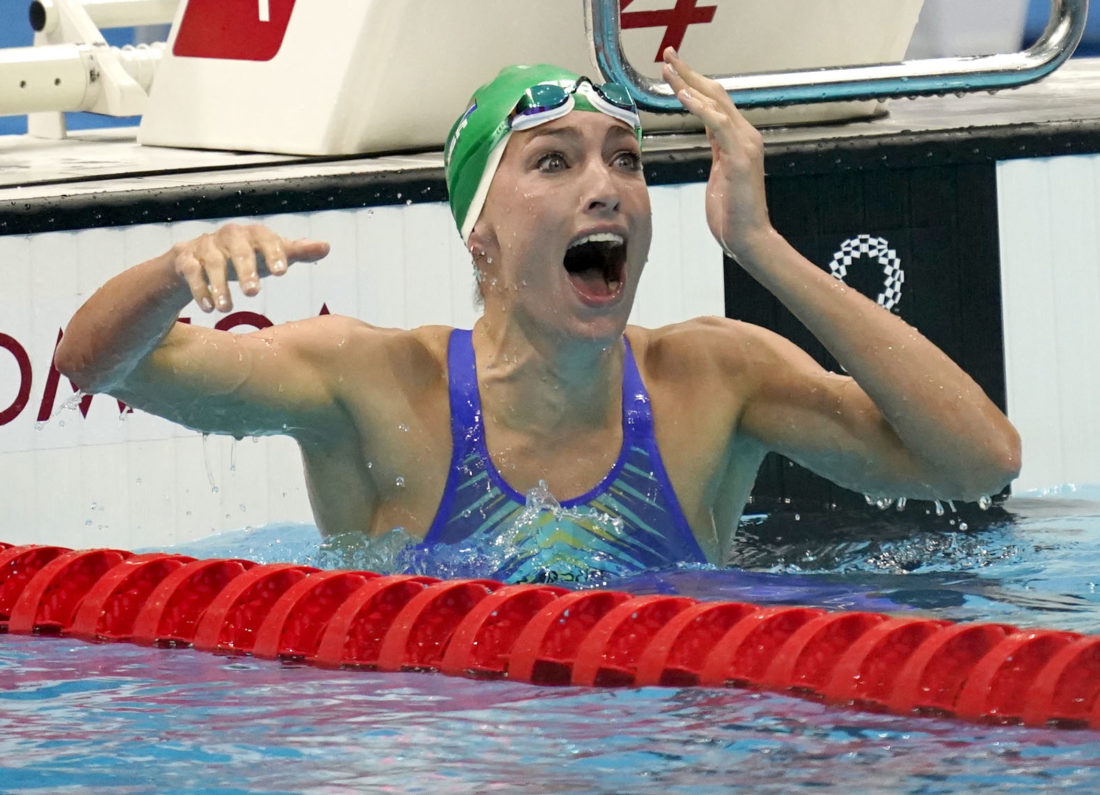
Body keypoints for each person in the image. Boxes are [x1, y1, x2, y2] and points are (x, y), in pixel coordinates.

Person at [55, 48, 1020, 581]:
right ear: (481, 239)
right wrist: (175, 273)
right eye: (555, 160)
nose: (606, 187)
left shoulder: (715, 379)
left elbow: (979, 462)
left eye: (627, 160)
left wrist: (761, 246)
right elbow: (98, 364)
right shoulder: (375, 387)